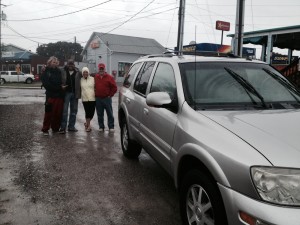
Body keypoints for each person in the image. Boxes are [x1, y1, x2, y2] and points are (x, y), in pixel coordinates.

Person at [41, 56, 67, 136]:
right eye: (53, 62)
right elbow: (46, 85)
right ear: (49, 62)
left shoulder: (59, 71)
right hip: (50, 96)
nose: (55, 63)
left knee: (57, 114)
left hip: (59, 96)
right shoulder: (46, 71)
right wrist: (59, 88)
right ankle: (45, 129)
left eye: (56, 62)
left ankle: (55, 128)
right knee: (48, 113)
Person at [58, 59, 81, 134]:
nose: (70, 66)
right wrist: (61, 85)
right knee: (64, 111)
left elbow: (86, 74)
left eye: (72, 64)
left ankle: (71, 127)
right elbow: (57, 77)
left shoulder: (78, 72)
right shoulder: (62, 71)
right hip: (66, 93)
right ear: (67, 64)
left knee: (74, 111)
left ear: (74, 65)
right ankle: (63, 127)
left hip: (75, 93)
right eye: (69, 64)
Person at [94, 63, 117, 132]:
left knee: (109, 113)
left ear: (104, 69)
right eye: (100, 68)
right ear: (98, 69)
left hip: (107, 98)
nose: (101, 70)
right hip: (98, 99)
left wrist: (110, 95)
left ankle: (111, 127)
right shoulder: (96, 77)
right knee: (99, 114)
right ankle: (101, 126)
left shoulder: (109, 77)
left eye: (102, 68)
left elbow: (114, 87)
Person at [80, 67, 96, 132]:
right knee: (87, 112)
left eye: (86, 72)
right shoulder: (80, 79)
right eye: (84, 72)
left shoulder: (92, 79)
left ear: (88, 72)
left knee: (92, 113)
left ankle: (86, 123)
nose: (85, 73)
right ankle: (88, 126)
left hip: (92, 98)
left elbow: (96, 86)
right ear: (82, 73)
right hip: (85, 99)